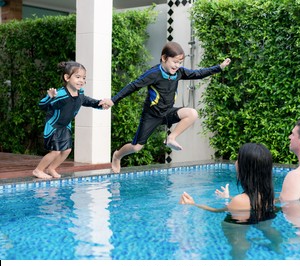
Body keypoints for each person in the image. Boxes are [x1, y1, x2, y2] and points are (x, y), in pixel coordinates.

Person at [99, 41, 231, 173]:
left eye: (180, 62)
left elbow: (198, 73)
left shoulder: (179, 73)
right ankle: (117, 155)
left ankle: (171, 138)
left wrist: (219, 67)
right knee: (136, 148)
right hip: (151, 116)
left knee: (192, 114)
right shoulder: (153, 74)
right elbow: (133, 86)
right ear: (163, 58)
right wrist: (113, 100)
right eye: (174, 62)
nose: (177, 65)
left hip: (167, 112)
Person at [33, 61, 107, 179]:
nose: (81, 80)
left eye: (83, 78)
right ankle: (38, 170)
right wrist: (49, 97)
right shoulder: (61, 94)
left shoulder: (80, 93)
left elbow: (87, 101)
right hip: (54, 126)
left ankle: (51, 168)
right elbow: (42, 106)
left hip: (65, 126)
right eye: (77, 77)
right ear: (67, 77)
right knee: (55, 151)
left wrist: (99, 104)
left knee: (67, 150)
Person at [180, 143, 276, 224]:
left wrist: (193, 205)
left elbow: (216, 211)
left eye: (238, 159)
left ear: (245, 168)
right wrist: (228, 198)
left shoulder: (239, 201)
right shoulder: (268, 197)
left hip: (237, 230)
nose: (236, 163)